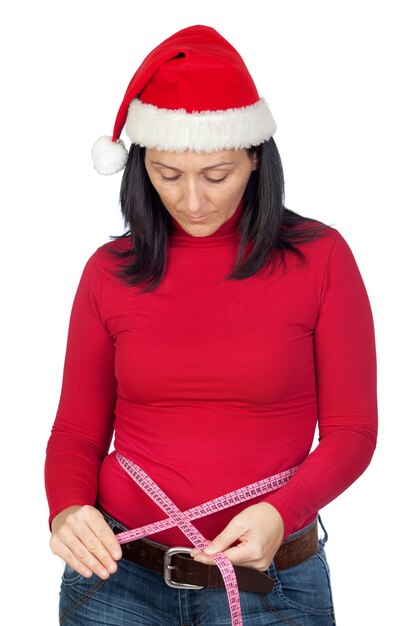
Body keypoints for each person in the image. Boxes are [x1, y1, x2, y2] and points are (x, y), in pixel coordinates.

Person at [44, 24, 378, 626]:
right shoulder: (108, 272)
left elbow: (353, 432)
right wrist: (67, 509)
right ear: (141, 164)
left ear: (255, 156)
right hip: (117, 576)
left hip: (270, 580)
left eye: (216, 175)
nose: (192, 201)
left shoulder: (321, 259)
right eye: (168, 175)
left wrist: (282, 512)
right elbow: (76, 431)